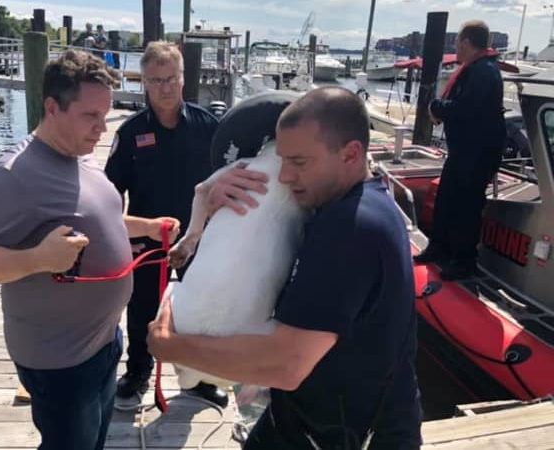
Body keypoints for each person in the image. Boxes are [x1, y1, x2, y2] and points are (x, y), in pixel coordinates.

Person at [148, 86, 422, 449]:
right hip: (301, 420)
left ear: (351, 154)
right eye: (281, 160)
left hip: (349, 437)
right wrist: (219, 197)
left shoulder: (350, 228)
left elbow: (286, 365)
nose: (284, 176)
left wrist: (169, 347)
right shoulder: (359, 201)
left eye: (299, 162)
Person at [0, 50, 179, 450]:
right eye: (89, 116)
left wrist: (145, 227)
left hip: (103, 343)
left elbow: (100, 218)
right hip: (59, 361)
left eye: (105, 114)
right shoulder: (11, 177)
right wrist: (37, 259)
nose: (101, 128)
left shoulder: (80, 158)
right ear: (51, 107)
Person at [104, 41, 225, 406]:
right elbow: (110, 196)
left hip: (199, 237)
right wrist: (128, 233)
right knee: (142, 307)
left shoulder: (210, 128)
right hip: (148, 237)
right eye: (155, 80)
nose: (164, 87)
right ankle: (138, 371)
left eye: (171, 78)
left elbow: (228, 181)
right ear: (144, 83)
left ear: (183, 78)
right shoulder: (129, 133)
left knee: (201, 309)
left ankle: (196, 378)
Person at [415, 20, 506, 280]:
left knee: (467, 206)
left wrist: (436, 107)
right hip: (464, 150)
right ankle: (439, 247)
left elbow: (466, 109)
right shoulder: (476, 69)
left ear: (466, 42)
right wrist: (440, 107)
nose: (456, 48)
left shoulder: (484, 72)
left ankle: (464, 261)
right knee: (446, 199)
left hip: (478, 152)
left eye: (457, 43)